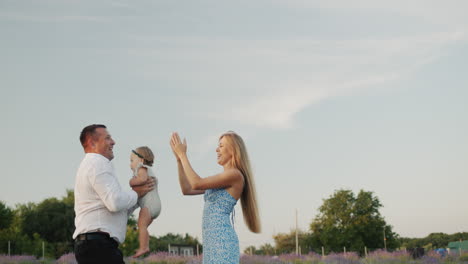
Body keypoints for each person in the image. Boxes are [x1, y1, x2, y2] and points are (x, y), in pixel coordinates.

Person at [170, 131, 261, 264]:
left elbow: (196, 183)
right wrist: (179, 159)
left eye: (221, 146)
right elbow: (187, 189)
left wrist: (183, 155)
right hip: (211, 242)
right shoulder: (221, 179)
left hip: (222, 241)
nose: (216, 149)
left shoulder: (235, 175)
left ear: (233, 150)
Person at [73, 124, 154, 264]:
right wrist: (136, 193)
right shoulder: (97, 162)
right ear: (92, 143)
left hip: (96, 246)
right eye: (108, 138)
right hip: (98, 246)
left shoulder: (93, 164)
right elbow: (115, 203)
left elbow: (115, 208)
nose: (113, 142)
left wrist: (142, 197)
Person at [128, 146, 162, 258]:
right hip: (155, 206)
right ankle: (145, 245)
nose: (130, 164)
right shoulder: (148, 170)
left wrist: (131, 182)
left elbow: (142, 180)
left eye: (132, 160)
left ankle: (143, 247)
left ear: (141, 160)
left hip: (149, 205)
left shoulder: (142, 168)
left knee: (141, 225)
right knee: (143, 227)